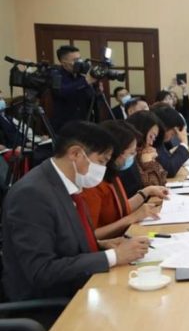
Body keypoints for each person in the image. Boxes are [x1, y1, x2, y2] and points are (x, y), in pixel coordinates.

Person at [2, 121, 150, 301]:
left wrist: (101, 245)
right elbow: (42, 270)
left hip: (81, 287)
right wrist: (113, 256)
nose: (103, 169)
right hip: (52, 303)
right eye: (101, 161)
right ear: (75, 154)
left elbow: (63, 244)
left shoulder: (65, 184)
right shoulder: (31, 194)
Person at [80, 120, 168, 239]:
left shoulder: (113, 175)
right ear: (116, 153)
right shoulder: (92, 182)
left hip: (124, 237)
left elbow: (122, 208)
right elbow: (90, 237)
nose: (134, 156)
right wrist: (132, 218)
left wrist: (147, 191)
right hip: (111, 244)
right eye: (131, 153)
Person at [50, 45, 97, 133]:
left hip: (84, 123)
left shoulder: (81, 75)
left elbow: (91, 98)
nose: (79, 63)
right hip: (65, 125)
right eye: (75, 60)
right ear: (64, 62)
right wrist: (85, 82)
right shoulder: (55, 74)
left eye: (80, 59)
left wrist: (96, 88)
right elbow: (61, 92)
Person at [125, 111, 167, 188]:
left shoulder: (141, 154)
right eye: (151, 136)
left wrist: (152, 161)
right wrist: (148, 163)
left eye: (154, 139)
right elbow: (154, 187)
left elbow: (163, 181)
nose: (151, 143)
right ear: (141, 131)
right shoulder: (128, 158)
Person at [151, 104, 189, 176]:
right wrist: (184, 142)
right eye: (174, 132)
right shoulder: (152, 142)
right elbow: (169, 170)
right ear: (164, 127)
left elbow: (167, 161)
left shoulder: (159, 142)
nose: (174, 136)